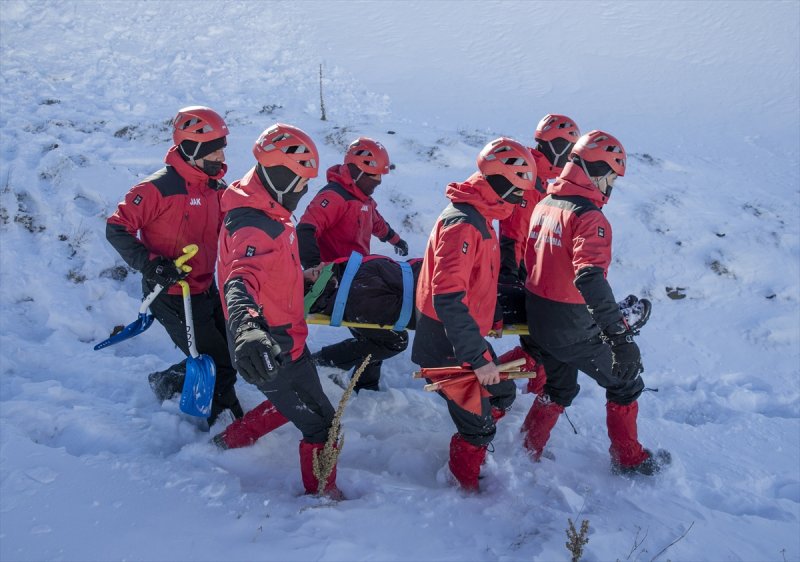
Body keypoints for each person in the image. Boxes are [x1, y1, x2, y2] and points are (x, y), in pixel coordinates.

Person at [522, 130, 671, 475]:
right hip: (571, 326)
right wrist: (620, 339)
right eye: (611, 177)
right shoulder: (589, 218)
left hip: (539, 319)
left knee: (560, 387)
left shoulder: (545, 203)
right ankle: (628, 459)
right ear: (596, 171)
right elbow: (589, 278)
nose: (611, 186)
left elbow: (531, 263)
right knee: (626, 382)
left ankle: (526, 449)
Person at [215, 123, 342, 498]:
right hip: (267, 347)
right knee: (322, 426)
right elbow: (240, 280)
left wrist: (300, 278)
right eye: (301, 181)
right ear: (282, 176)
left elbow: (267, 270)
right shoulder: (255, 226)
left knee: (302, 407)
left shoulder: (267, 210)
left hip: (289, 340)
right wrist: (248, 329)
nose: (304, 190)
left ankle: (230, 441)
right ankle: (322, 499)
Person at [412, 137, 538, 492]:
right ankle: (464, 486)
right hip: (445, 345)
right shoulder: (464, 224)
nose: (520, 199)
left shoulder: (480, 217)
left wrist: (490, 316)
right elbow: (448, 297)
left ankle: (477, 442)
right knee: (478, 426)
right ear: (501, 183)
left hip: (463, 338)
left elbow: (477, 280)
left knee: (503, 394)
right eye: (517, 191)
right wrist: (478, 358)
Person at [106, 105, 243, 427]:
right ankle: (224, 424)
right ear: (192, 149)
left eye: (222, 148)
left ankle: (168, 381)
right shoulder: (156, 189)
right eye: (214, 150)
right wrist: (152, 265)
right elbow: (117, 228)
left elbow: (234, 224)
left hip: (206, 286)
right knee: (219, 362)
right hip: (170, 292)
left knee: (230, 350)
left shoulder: (215, 188)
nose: (221, 157)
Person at [297, 137, 410, 392]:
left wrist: (396, 240)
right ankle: (321, 365)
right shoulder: (334, 197)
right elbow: (305, 230)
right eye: (373, 175)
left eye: (380, 175)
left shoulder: (363, 199)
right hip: (337, 283)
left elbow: (377, 223)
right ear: (355, 170)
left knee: (377, 329)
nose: (378, 181)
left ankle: (366, 388)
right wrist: (317, 272)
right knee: (391, 337)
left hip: (359, 278)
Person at [496, 114, 581, 397]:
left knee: (542, 343)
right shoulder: (530, 178)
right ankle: (486, 386)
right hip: (520, 271)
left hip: (531, 270)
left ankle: (534, 389)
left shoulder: (542, 178)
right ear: (558, 146)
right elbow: (513, 231)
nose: (570, 158)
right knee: (540, 344)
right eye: (569, 150)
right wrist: (511, 275)